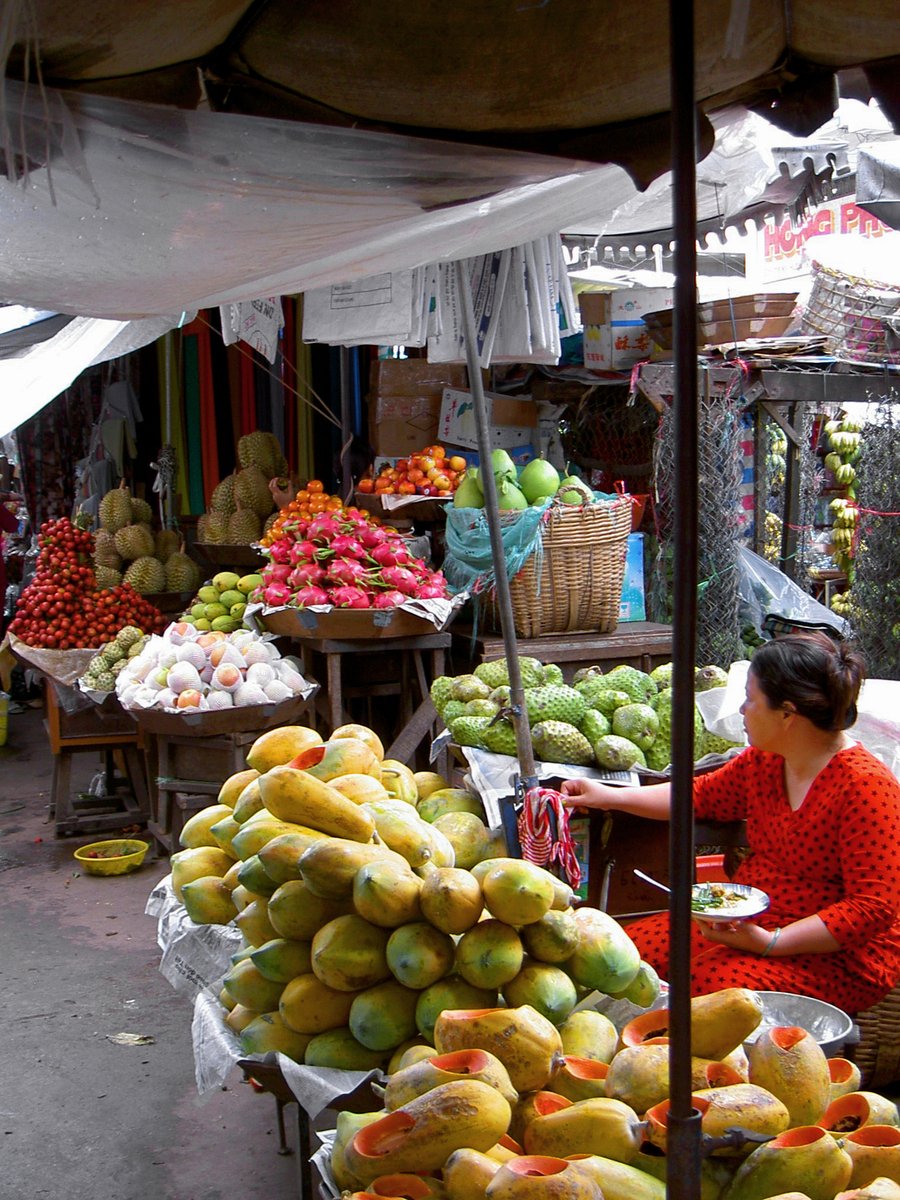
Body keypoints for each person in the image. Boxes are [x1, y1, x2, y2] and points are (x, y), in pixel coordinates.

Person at [561, 632, 900, 1014]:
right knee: (622, 955)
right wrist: (607, 795)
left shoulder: (866, 787)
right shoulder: (765, 761)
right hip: (750, 921)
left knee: (709, 986)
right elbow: (698, 794)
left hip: (838, 954)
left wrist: (772, 942)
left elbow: (871, 908)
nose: (741, 710)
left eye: (751, 699)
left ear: (787, 714)